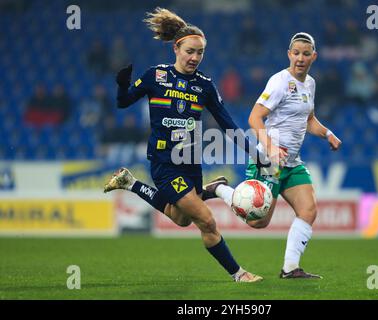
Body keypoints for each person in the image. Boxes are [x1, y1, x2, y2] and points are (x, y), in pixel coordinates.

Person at [103, 7, 268, 283]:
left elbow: (227, 124)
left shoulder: (204, 85)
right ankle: (239, 274)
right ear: (176, 48)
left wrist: (256, 153)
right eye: (190, 51)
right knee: (206, 220)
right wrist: (122, 85)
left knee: (180, 219)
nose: (195, 58)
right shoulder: (156, 76)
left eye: (200, 52)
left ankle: (130, 183)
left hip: (191, 162)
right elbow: (123, 101)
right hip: (164, 165)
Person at [202, 32, 342, 279]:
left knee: (308, 210)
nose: (300, 58)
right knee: (258, 222)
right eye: (296, 53)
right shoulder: (279, 81)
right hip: (269, 161)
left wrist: (327, 133)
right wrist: (270, 148)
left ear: (314, 57)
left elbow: (307, 119)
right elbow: (254, 117)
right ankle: (218, 190)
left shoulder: (310, 84)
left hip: (291, 162)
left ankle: (290, 268)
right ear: (289, 54)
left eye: (305, 53)